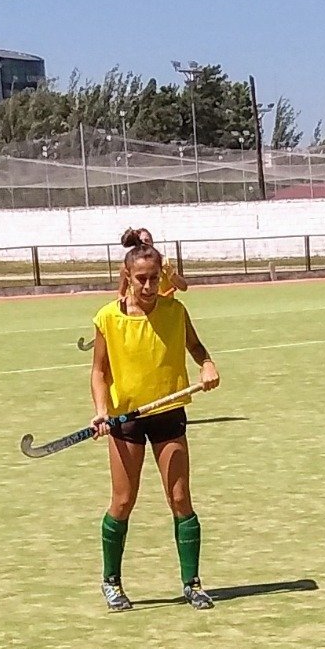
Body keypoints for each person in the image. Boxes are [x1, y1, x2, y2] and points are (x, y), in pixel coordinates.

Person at [90, 230, 222, 612]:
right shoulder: (108, 318)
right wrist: (101, 410)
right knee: (123, 500)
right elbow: (99, 372)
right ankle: (111, 582)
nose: (148, 285)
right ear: (127, 276)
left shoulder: (174, 312)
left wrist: (208, 364)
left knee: (180, 499)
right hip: (125, 420)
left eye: (154, 277)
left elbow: (195, 347)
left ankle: (192, 584)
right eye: (141, 278)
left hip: (168, 414)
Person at [124, 228, 188, 297]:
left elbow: (183, 287)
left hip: (164, 306)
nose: (144, 243)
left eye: (146, 240)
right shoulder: (130, 264)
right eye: (141, 241)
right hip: (141, 306)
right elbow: (121, 293)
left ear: (152, 241)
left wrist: (170, 272)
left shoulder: (164, 261)